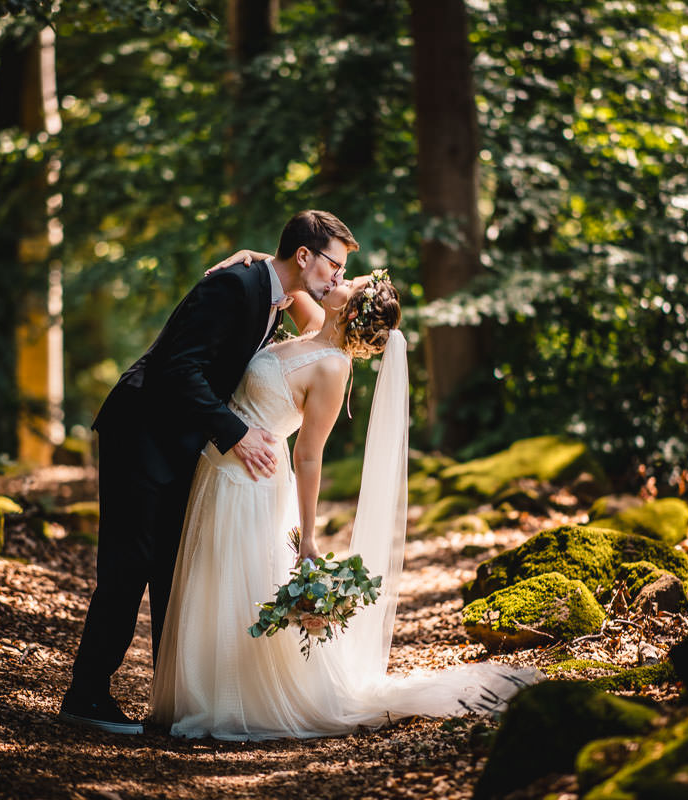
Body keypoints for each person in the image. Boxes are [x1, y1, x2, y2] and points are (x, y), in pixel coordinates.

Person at [149, 266, 538, 740]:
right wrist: (250, 256)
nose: (340, 279)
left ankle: (230, 702)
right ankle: (196, 692)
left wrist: (307, 536)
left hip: (253, 485)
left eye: (349, 284)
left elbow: (309, 455)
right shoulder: (315, 326)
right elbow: (288, 283)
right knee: (209, 581)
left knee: (235, 587)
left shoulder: (334, 368)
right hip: (218, 469)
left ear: (352, 308)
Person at [59, 211, 357, 734]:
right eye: (334, 265)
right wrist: (236, 433)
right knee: (128, 568)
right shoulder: (234, 286)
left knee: (174, 574)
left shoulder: (275, 297)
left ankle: (178, 699)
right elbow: (180, 368)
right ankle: (86, 695)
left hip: (183, 445)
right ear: (305, 256)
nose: (337, 278)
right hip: (141, 433)